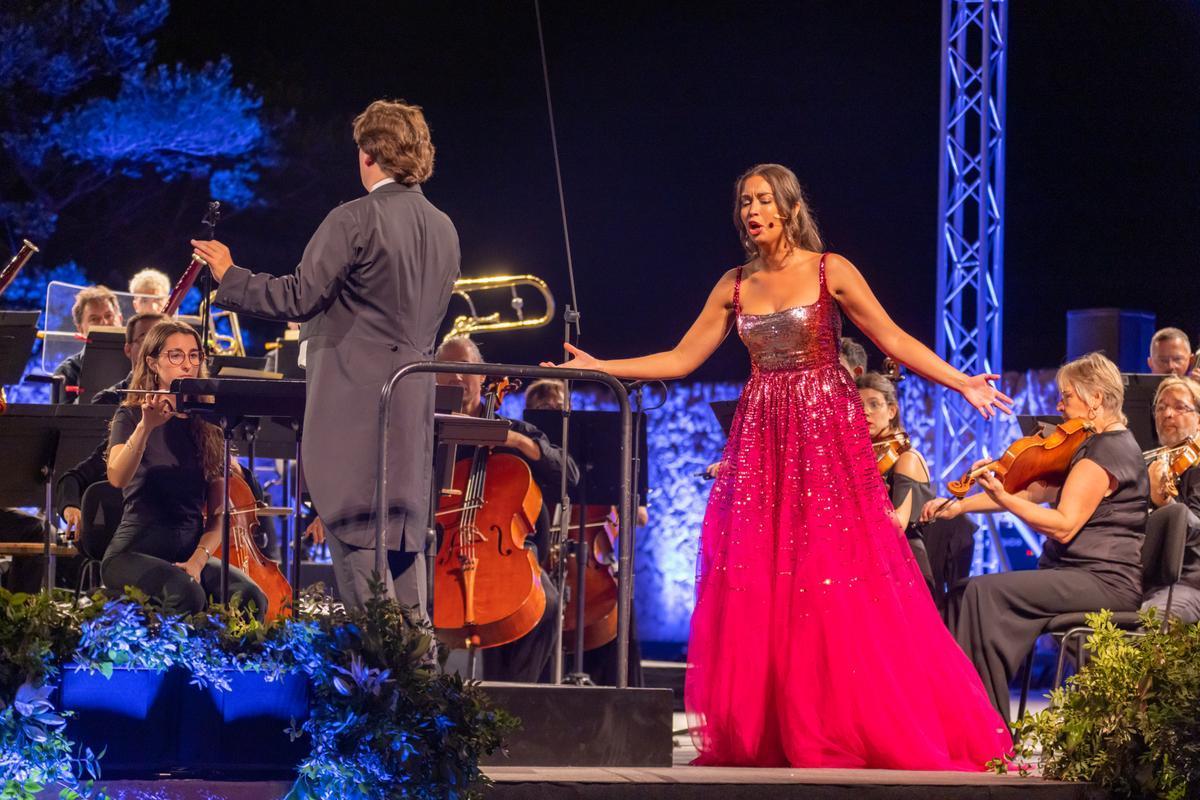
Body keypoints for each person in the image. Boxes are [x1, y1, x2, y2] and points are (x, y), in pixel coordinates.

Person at [544, 163, 1012, 769]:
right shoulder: (734, 284)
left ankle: (854, 718)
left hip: (825, 436)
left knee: (838, 573)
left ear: (790, 208)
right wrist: (601, 365)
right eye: (744, 201)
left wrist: (959, 381)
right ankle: (784, 724)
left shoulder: (829, 269)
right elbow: (682, 358)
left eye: (764, 200)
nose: (752, 210)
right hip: (764, 434)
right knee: (768, 578)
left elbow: (893, 339)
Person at [191, 99, 460, 612]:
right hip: (409, 416)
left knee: (366, 596)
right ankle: (422, 691)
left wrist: (230, 275)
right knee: (407, 587)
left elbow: (298, 296)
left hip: (357, 415)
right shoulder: (445, 227)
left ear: (367, 154)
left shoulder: (355, 218)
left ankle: (381, 692)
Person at [923, 352, 1147, 723]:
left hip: (1103, 581)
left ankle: (982, 725)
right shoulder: (1088, 445)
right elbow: (1034, 493)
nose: (1059, 405)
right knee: (962, 594)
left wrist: (1004, 499)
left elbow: (1063, 524)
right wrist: (962, 507)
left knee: (982, 593)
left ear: (1095, 398)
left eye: (1067, 396)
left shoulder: (1109, 451)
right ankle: (949, 716)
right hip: (1076, 574)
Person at [103, 320, 268, 618]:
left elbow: (218, 518)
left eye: (194, 356)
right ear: (153, 363)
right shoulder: (129, 415)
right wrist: (146, 427)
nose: (187, 364)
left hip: (190, 552)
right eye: (175, 355)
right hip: (134, 552)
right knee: (187, 595)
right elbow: (117, 476)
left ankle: (227, 661)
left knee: (251, 598)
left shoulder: (208, 423)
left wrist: (197, 561)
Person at [436, 337, 576, 682]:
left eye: (466, 370)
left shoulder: (512, 432)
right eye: (447, 371)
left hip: (506, 552)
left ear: (483, 379)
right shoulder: (425, 436)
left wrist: (516, 442)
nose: (456, 379)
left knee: (547, 605)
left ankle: (515, 700)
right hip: (441, 551)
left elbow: (569, 474)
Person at [1141, 375, 1200, 623]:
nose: (1167, 414)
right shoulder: (1152, 463)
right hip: (1143, 579)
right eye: (1161, 407)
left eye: (1179, 407)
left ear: (1198, 417)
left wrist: (1164, 502)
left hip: (1188, 581)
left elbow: (1197, 528)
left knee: (1151, 622)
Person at [53, 285, 122, 402]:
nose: (104, 323)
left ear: (120, 319)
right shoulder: (67, 371)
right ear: (80, 329)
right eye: (94, 319)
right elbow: (62, 419)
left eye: (108, 316)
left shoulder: (138, 364)